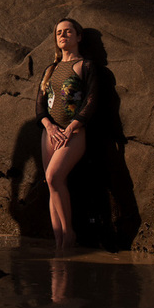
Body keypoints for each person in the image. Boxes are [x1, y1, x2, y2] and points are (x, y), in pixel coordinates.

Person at [34, 18, 99, 251]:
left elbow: (91, 101)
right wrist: (50, 127)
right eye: (59, 32)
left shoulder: (86, 66)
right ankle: (59, 241)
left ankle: (69, 233)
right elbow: (40, 106)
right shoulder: (50, 69)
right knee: (51, 184)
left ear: (78, 37)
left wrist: (71, 127)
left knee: (53, 178)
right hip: (49, 133)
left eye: (68, 31)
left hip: (74, 133)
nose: (63, 35)